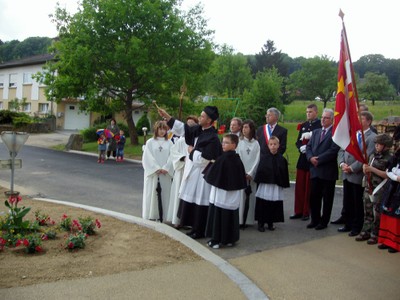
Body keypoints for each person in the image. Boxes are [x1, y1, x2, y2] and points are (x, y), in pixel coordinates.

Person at [158, 106, 222, 239]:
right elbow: (183, 129)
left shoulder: (213, 138)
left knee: (200, 202)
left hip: (202, 175)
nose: (200, 117)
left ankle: (200, 230)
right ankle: (194, 227)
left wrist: (191, 152)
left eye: (203, 116)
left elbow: (205, 159)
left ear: (209, 120)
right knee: (190, 200)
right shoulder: (198, 129)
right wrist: (168, 117)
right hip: (192, 172)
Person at [336, 111, 376, 236]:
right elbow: (342, 149)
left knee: (357, 202)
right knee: (347, 201)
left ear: (369, 121)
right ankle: (347, 223)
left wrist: (352, 168)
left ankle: (356, 226)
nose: (359, 121)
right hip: (346, 173)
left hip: (358, 174)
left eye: (362, 119)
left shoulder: (372, 137)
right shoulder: (352, 134)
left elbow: (367, 155)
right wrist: (342, 164)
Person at [204, 134, 247, 248]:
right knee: (227, 214)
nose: (223, 144)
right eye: (223, 142)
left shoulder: (231, 159)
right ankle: (228, 239)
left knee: (220, 215)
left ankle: (217, 239)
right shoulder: (226, 158)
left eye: (226, 142)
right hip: (224, 192)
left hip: (224, 194)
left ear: (234, 145)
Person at [306, 108, 340, 230]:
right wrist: (310, 158)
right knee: (314, 197)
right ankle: (314, 219)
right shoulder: (316, 132)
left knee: (327, 198)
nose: (323, 120)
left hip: (327, 171)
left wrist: (318, 159)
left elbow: (333, 150)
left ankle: (324, 221)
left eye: (326, 118)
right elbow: (308, 147)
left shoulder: (335, 133)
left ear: (331, 119)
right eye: (322, 117)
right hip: (315, 170)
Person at [355, 134, 393, 244]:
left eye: (379, 144)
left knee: (377, 213)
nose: (376, 146)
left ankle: (375, 234)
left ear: (386, 146)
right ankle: (366, 230)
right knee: (367, 210)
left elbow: (387, 175)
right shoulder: (372, 156)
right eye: (376, 144)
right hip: (369, 186)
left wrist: (372, 169)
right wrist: (365, 168)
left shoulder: (389, 158)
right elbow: (367, 168)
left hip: (380, 188)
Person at [166, 115, 199, 226]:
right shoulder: (180, 140)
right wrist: (183, 158)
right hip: (181, 170)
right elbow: (173, 152)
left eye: (192, 124)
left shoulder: (197, 140)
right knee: (178, 195)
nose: (189, 125)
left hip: (192, 173)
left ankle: (188, 221)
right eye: (188, 123)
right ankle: (177, 220)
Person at [290, 103, 321, 221]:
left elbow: (318, 142)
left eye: (311, 112)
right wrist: (300, 148)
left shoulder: (319, 125)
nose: (308, 114)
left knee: (309, 188)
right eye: (307, 112)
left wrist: (309, 149)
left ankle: (306, 211)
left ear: (316, 113)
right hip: (302, 160)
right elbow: (298, 141)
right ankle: (298, 210)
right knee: (300, 188)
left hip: (312, 159)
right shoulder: (303, 125)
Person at [254, 136, 290, 232]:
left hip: (275, 186)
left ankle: (270, 222)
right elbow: (260, 171)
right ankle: (261, 222)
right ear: (268, 146)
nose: (273, 146)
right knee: (263, 203)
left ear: (278, 145)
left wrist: (281, 182)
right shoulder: (264, 158)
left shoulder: (282, 159)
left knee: (273, 204)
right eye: (271, 144)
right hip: (265, 186)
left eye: (275, 144)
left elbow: (284, 173)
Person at [142, 121, 173, 221]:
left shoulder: (170, 143)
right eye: (160, 129)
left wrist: (166, 168)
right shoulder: (150, 142)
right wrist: (156, 168)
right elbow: (147, 156)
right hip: (153, 173)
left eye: (164, 129)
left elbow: (172, 157)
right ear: (156, 129)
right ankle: (151, 215)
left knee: (165, 194)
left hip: (165, 173)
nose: (162, 131)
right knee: (151, 193)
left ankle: (164, 217)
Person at [236, 119, 260, 228]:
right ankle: (240, 219)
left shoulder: (256, 144)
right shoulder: (239, 142)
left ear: (251, 129)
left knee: (250, 196)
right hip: (241, 174)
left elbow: (257, 159)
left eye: (246, 127)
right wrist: (242, 172)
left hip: (251, 175)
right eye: (243, 127)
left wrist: (251, 173)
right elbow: (237, 158)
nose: (244, 129)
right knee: (240, 197)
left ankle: (248, 219)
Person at [378, 148, 400, 253]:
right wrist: (395, 177)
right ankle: (386, 240)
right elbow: (389, 170)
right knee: (387, 212)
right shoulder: (397, 154)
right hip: (393, 186)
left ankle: (395, 243)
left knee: (397, 216)